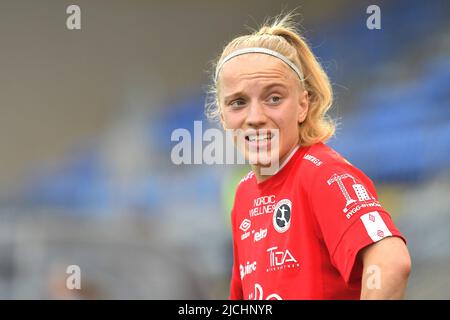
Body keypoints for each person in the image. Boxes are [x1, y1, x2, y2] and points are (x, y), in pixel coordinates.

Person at [206, 12, 411, 300]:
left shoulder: (322, 174)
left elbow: (390, 263)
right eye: (238, 103)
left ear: (303, 105)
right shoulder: (244, 194)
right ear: (223, 116)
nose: (255, 117)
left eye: (274, 98)